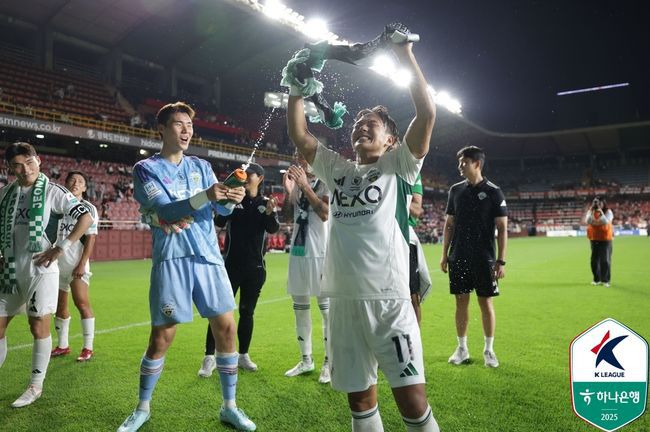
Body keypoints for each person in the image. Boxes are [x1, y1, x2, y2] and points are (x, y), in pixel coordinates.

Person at [286, 36, 440, 431]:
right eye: (357, 122)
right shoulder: (338, 170)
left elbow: (426, 113)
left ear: (391, 140)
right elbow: (301, 136)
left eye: (371, 123)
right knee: (360, 401)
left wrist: (404, 54)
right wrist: (295, 89)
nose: (361, 125)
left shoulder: (399, 166)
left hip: (390, 300)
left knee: (413, 402)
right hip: (343, 302)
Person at [117, 102, 256, 432]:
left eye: (190, 126)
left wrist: (231, 197)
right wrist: (208, 196)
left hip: (208, 256)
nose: (186, 131)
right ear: (162, 129)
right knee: (162, 337)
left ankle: (229, 407)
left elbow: (222, 212)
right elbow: (165, 211)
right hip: (172, 257)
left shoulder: (201, 166)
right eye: (179, 124)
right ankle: (142, 408)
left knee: (226, 329)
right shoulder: (145, 169)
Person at [0, 142, 92, 408]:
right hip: (10, 270)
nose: (25, 169)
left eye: (29, 163)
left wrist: (61, 247)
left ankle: (35, 386)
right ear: (10, 168)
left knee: (38, 325)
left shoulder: (53, 191)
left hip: (40, 270)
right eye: (18, 165)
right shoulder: (6, 193)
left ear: (38, 161)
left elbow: (85, 217)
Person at [198, 163, 279, 376]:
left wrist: (270, 213)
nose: (245, 177)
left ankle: (243, 355)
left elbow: (273, 228)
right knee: (219, 312)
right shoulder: (235, 199)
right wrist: (229, 201)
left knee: (247, 312)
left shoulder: (265, 203)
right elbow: (219, 220)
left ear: (260, 178)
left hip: (255, 268)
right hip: (231, 266)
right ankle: (209, 357)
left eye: (250, 174)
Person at [440, 146, 508, 369]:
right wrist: (444, 255)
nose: (460, 166)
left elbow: (502, 228)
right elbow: (449, 224)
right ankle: (462, 348)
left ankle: (489, 350)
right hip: (458, 255)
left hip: (484, 257)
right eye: (459, 162)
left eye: (464, 162)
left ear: (477, 164)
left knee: (485, 302)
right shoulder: (455, 190)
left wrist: (501, 261)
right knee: (461, 301)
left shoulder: (494, 192)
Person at [281, 151, 331, 383]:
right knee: (299, 308)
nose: (299, 161)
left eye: (303, 156)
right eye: (297, 157)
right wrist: (289, 191)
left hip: (322, 253)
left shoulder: (327, 180)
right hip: (299, 252)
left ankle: (329, 363)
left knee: (327, 311)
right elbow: (286, 217)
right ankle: (306, 359)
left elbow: (324, 213)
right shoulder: (297, 185)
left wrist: (304, 186)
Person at [50, 171, 98, 362]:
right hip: (56, 266)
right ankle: (63, 345)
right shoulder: (57, 205)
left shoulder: (88, 208)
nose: (75, 183)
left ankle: (88, 347)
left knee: (82, 303)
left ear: (85, 187)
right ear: (66, 184)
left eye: (80, 181)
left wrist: (82, 264)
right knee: (60, 306)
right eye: (72, 180)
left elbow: (91, 238)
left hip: (76, 265)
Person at [407, 173, 432, 324]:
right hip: (375, 238)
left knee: (412, 295)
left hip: (404, 236)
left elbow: (416, 210)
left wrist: (395, 194)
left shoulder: (412, 173)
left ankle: (415, 338)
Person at [585, 196, 613, 287]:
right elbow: (588, 221)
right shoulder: (590, 211)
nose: (597, 204)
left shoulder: (608, 212)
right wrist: (593, 211)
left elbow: (605, 222)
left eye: (599, 203)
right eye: (595, 202)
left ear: (603, 204)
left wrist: (600, 212)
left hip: (605, 239)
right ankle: (596, 279)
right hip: (594, 238)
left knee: (605, 260)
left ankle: (605, 280)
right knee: (594, 260)